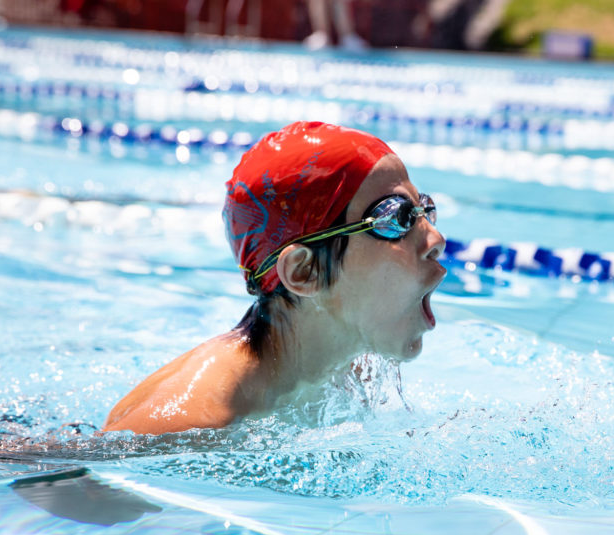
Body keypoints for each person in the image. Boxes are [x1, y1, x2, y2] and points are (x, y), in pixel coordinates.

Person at [103, 121, 446, 435]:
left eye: (423, 209)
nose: (435, 240)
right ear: (303, 272)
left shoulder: (345, 359)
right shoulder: (193, 423)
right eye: (394, 217)